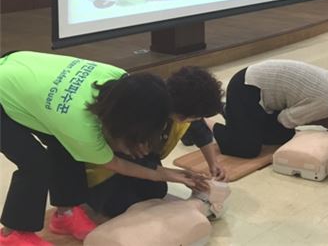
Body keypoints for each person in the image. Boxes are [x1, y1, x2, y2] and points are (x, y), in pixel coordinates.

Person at [0, 51, 204, 246]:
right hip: (8, 85)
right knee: (35, 164)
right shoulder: (81, 126)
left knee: (64, 147)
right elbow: (114, 163)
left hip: (21, 72)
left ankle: (65, 215)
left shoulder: (120, 79)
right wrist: (163, 174)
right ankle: (12, 235)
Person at [87, 67, 225, 218]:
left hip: (137, 156)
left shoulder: (176, 106)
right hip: (104, 164)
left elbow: (199, 131)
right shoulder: (144, 113)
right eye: (195, 117)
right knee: (120, 206)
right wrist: (168, 174)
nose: (196, 120)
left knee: (156, 191)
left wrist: (213, 163)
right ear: (182, 116)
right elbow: (118, 157)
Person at [212, 60, 328, 158]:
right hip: (246, 87)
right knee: (247, 149)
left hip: (258, 85)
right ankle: (212, 121)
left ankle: (235, 114)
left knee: (283, 136)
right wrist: (323, 121)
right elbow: (284, 120)